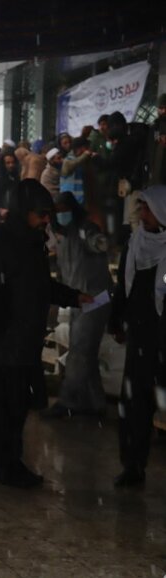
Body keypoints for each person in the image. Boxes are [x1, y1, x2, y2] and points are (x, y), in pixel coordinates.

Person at [0, 179, 91, 488]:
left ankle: (8, 463)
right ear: (23, 211)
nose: (46, 219)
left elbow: (39, 286)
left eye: (48, 214)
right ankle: (0, 466)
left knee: (16, 408)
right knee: (0, 410)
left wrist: (73, 297)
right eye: (40, 213)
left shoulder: (32, 244)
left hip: (21, 345)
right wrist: (1, 327)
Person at [108, 184, 166, 487]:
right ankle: (132, 464)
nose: (142, 215)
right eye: (142, 209)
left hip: (162, 337)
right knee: (135, 403)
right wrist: (117, 320)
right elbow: (124, 287)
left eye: (148, 209)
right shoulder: (135, 245)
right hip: (142, 336)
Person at [44, 192, 111, 418]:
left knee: (79, 353)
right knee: (85, 353)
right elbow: (63, 274)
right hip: (78, 300)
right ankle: (96, 404)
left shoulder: (85, 230)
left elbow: (97, 242)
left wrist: (99, 240)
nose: (61, 214)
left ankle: (68, 402)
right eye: (58, 211)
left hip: (96, 298)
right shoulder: (63, 238)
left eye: (64, 209)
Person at [60, 137, 93, 207]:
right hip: (69, 200)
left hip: (80, 200)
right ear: (81, 148)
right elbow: (73, 164)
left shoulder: (83, 160)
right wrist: (85, 155)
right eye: (86, 148)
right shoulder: (68, 160)